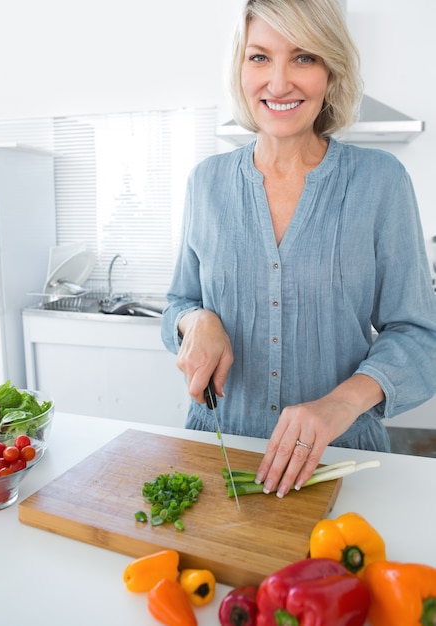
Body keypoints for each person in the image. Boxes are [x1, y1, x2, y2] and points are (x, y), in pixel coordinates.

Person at [161, 0, 436, 498]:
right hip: (220, 454)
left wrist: (341, 403)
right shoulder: (205, 183)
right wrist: (195, 321)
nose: (280, 82)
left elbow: (420, 336)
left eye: (304, 58)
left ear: (331, 71)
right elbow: (178, 303)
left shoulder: (381, 182)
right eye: (260, 57)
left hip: (340, 462)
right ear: (240, 68)